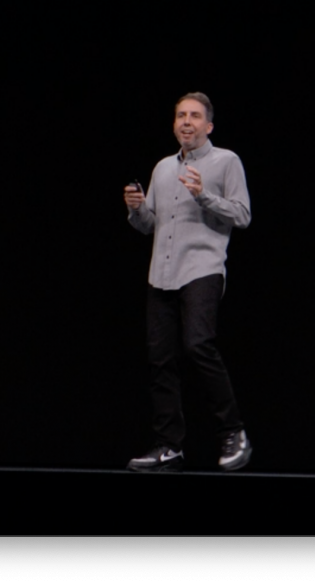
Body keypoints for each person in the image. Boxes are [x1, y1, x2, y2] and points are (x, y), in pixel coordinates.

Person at [123, 92, 253, 472]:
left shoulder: (226, 161)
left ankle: (233, 432)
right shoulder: (163, 168)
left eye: (195, 116)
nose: (186, 122)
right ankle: (169, 446)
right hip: (161, 274)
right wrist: (136, 209)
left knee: (198, 345)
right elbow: (150, 225)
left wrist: (203, 195)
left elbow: (242, 215)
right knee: (160, 358)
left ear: (208, 126)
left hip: (202, 268)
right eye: (181, 115)